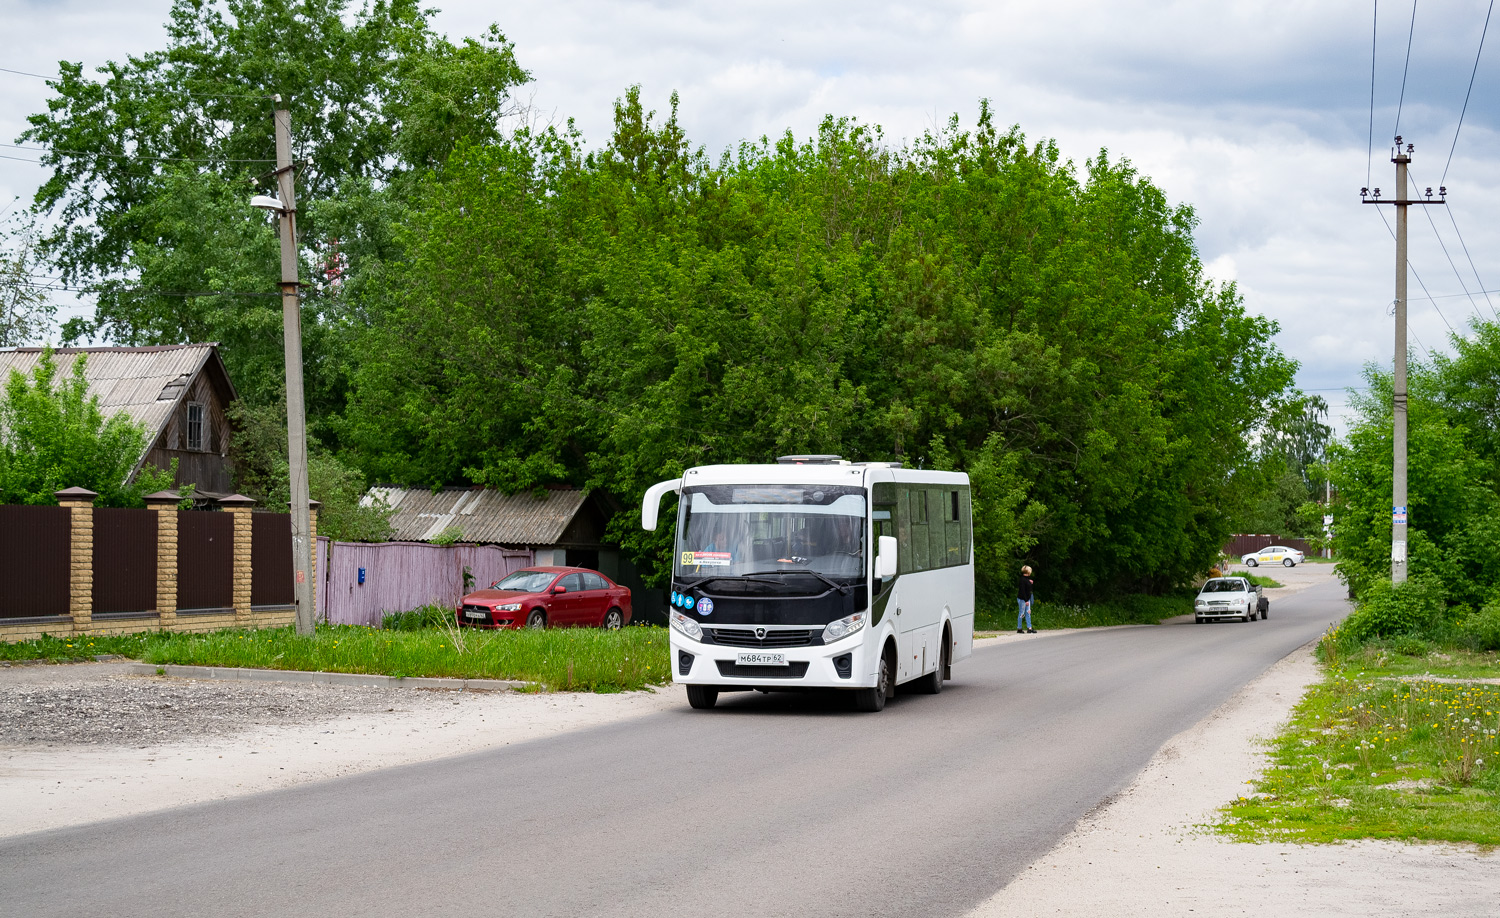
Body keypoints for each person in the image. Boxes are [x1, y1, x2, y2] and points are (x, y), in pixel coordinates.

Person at [1017, 565, 1035, 634]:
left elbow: (1028, 589)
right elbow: (1023, 591)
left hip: (1027, 599)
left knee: (1028, 612)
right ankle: (1019, 628)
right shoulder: (1022, 580)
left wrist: (1030, 583)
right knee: (1022, 613)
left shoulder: (1027, 579)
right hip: (1023, 599)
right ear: (1028, 571)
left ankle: (1029, 628)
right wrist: (1026, 600)